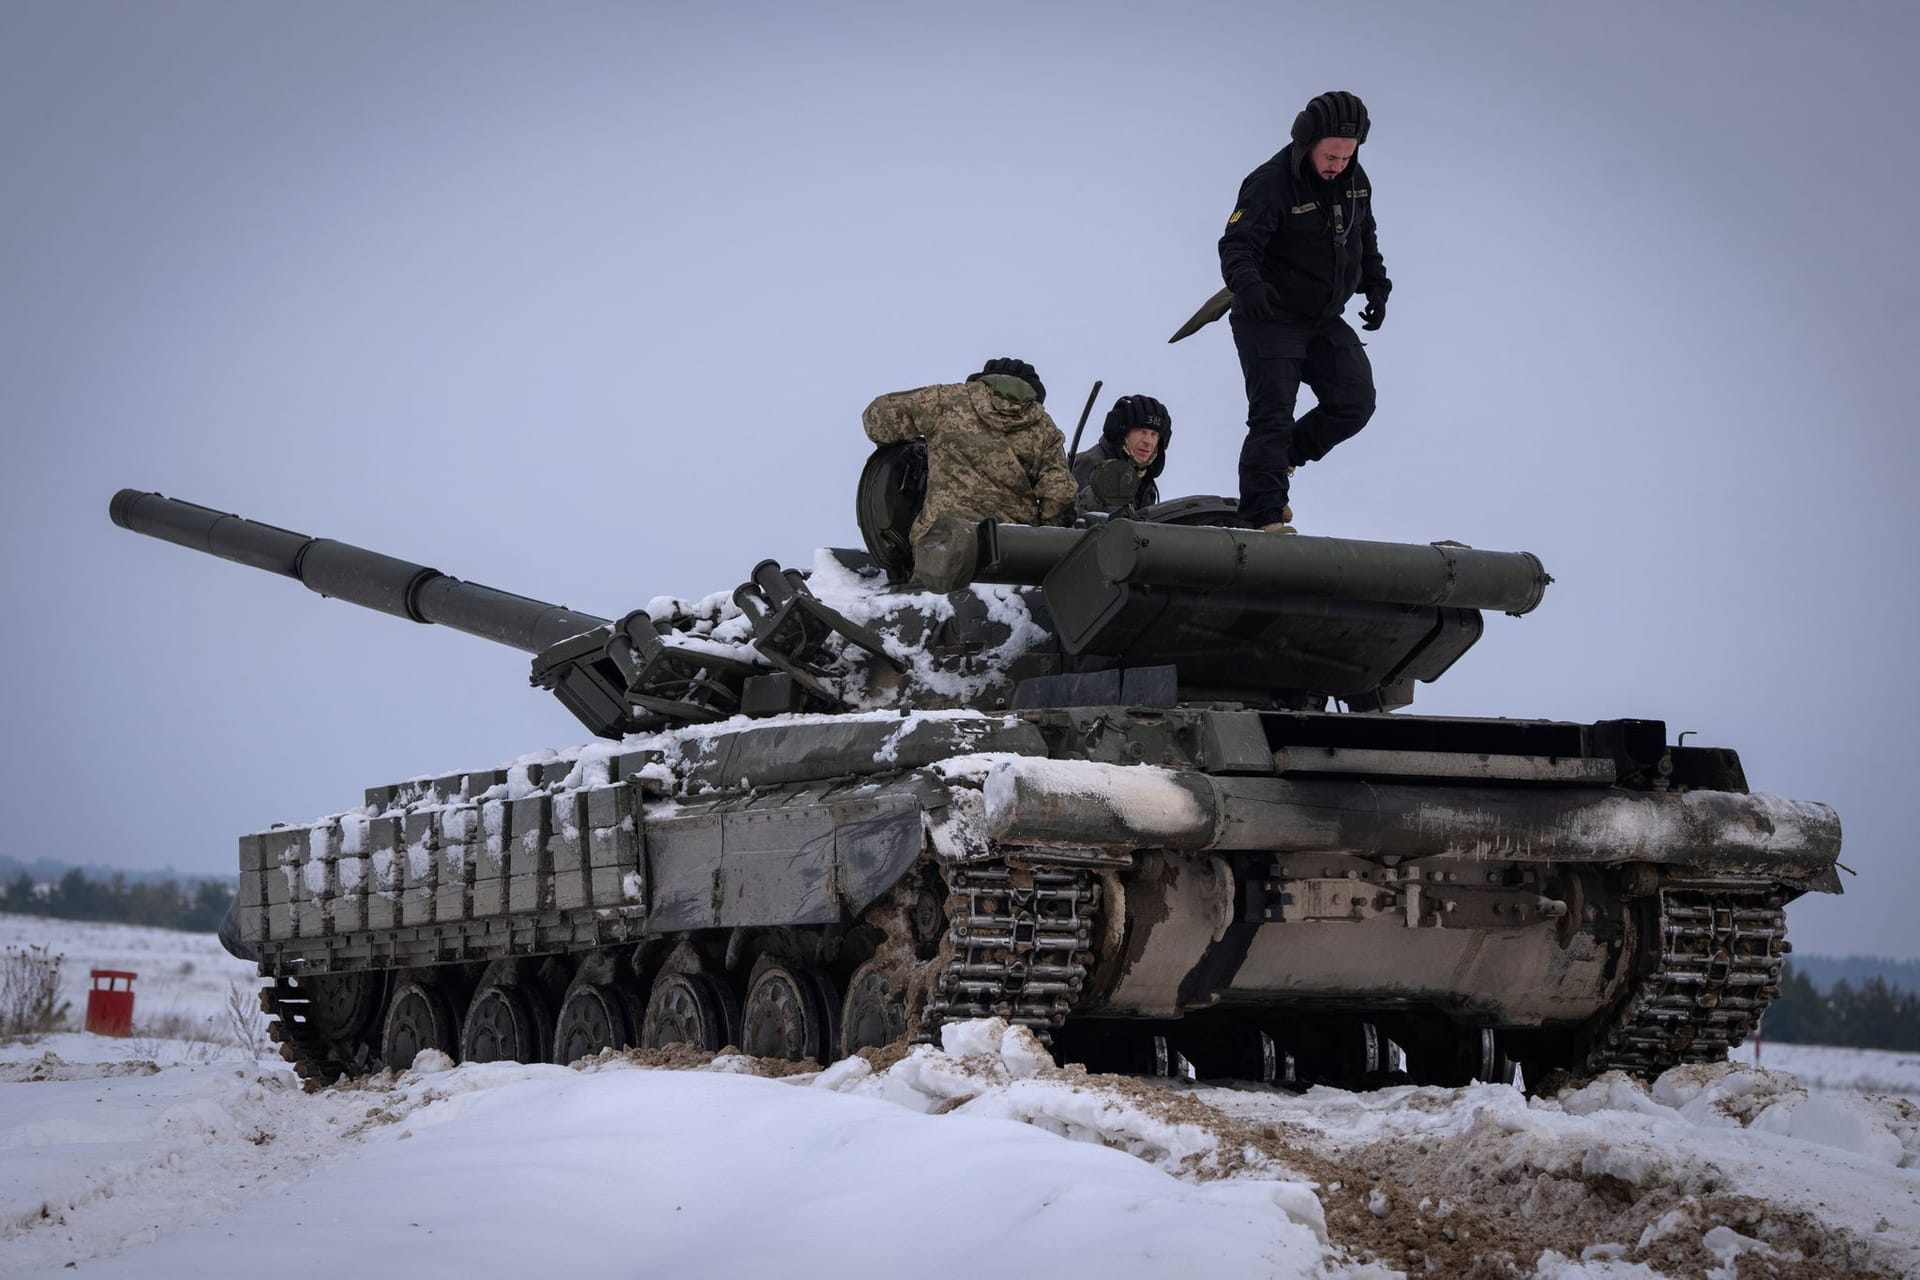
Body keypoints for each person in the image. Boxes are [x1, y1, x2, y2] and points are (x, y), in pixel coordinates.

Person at [1219, 90, 1390, 533]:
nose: (1338, 164)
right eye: (1330, 155)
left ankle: (1280, 461)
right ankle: (1262, 516)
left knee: (1355, 402)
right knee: (1272, 416)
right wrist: (1250, 286)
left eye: (1347, 155)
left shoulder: (1355, 180)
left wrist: (1375, 284)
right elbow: (1237, 244)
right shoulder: (1270, 182)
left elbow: (1363, 233)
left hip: (1322, 319)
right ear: (1307, 143)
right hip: (1270, 317)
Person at [861, 357, 1077, 582]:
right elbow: (1061, 495)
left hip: (940, 552)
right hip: (1012, 558)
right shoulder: (1044, 428)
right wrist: (1042, 540)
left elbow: (877, 419)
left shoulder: (946, 400)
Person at [1072, 394, 1171, 513]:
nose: (1148, 441)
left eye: (1154, 434)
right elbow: (1070, 517)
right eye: (1141, 431)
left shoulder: (1144, 476)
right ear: (1122, 432)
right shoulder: (1091, 462)